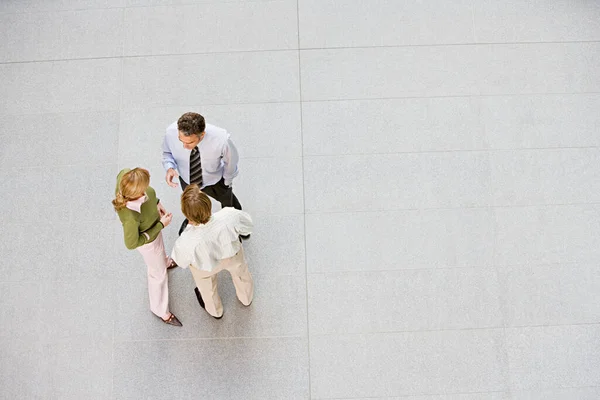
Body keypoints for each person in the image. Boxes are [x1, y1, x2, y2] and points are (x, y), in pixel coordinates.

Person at [170, 184, 254, 319]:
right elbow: (247, 227)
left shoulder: (184, 241)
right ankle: (246, 297)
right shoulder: (230, 215)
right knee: (241, 274)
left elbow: (181, 261)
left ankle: (216, 311)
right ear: (208, 203)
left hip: (204, 267)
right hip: (232, 255)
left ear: (186, 215)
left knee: (207, 289)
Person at [112, 167, 182, 327]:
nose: (147, 190)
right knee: (158, 274)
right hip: (148, 241)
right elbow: (131, 243)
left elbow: (149, 194)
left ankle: (164, 262)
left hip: (154, 228)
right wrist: (159, 226)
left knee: (160, 256)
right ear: (135, 193)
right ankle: (161, 310)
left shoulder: (125, 177)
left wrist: (157, 203)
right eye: (144, 189)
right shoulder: (130, 218)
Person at [161, 112, 245, 235]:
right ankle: (191, 220)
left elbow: (231, 162)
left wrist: (227, 181)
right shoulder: (170, 132)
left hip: (215, 180)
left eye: (190, 143)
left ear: (202, 135)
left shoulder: (221, 139)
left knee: (229, 204)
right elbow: (167, 153)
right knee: (191, 205)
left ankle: (237, 223)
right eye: (181, 140)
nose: (184, 146)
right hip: (187, 179)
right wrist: (169, 167)